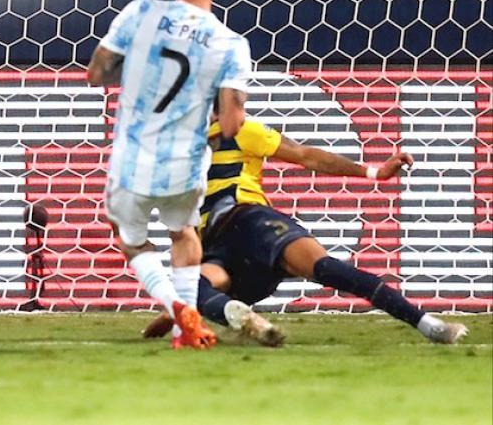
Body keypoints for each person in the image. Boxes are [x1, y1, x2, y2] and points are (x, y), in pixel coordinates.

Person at [141, 118, 469, 346]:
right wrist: (373, 172)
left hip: (225, 241)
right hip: (246, 227)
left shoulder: (177, 152)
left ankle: (237, 316)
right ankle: (429, 325)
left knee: (197, 286)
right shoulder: (226, 135)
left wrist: (177, 310)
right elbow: (305, 156)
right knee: (329, 270)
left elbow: (177, 233)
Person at [87, 0, 253, 349]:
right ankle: (185, 330)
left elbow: (96, 73)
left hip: (133, 161)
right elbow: (232, 124)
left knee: (129, 236)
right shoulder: (231, 43)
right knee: (183, 233)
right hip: (187, 164)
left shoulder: (140, 13)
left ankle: (175, 305)